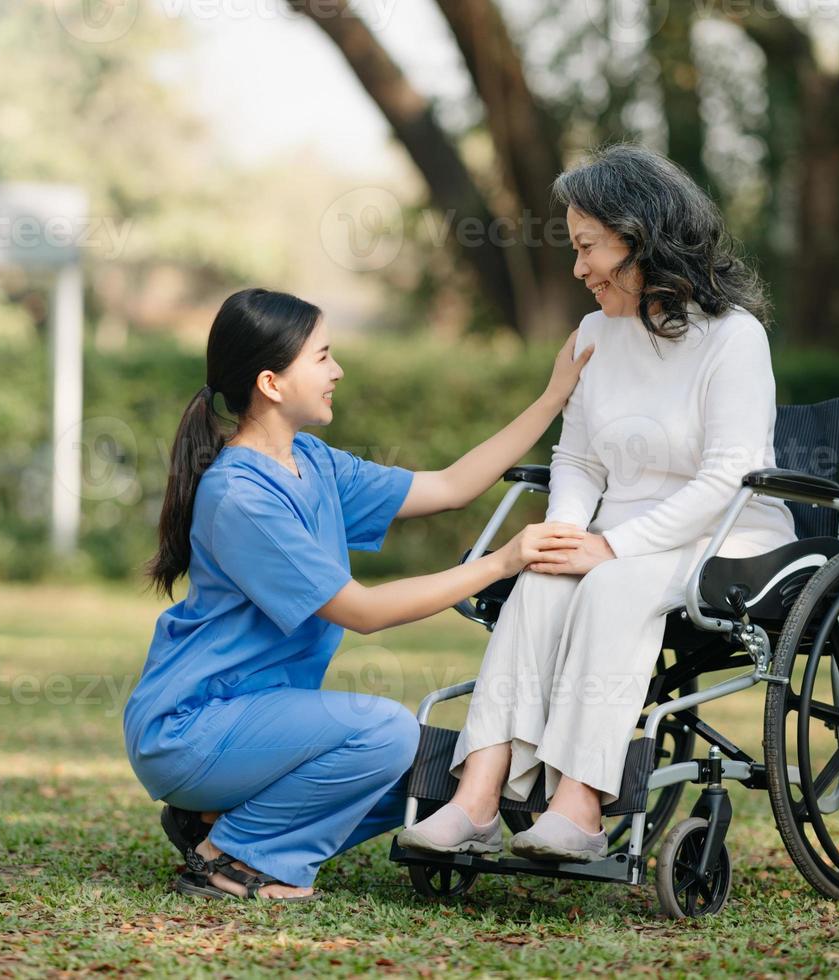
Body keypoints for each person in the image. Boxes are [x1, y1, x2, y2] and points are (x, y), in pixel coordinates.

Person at [123, 287, 591, 901]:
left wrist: (553, 397)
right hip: (191, 728)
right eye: (322, 356)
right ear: (271, 381)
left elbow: (450, 486)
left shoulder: (311, 462)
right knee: (383, 733)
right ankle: (233, 859)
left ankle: (216, 821)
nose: (337, 370)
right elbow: (361, 612)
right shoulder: (241, 496)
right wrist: (498, 563)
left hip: (251, 728)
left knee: (436, 772)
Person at [399, 144, 798, 863]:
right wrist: (564, 534)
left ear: (640, 238)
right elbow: (578, 460)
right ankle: (477, 797)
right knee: (543, 573)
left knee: (610, 581)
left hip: (729, 537)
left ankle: (579, 808)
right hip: (620, 535)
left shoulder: (734, 338)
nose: (578, 268)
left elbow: (726, 477)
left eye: (587, 247)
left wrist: (610, 547)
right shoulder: (593, 334)